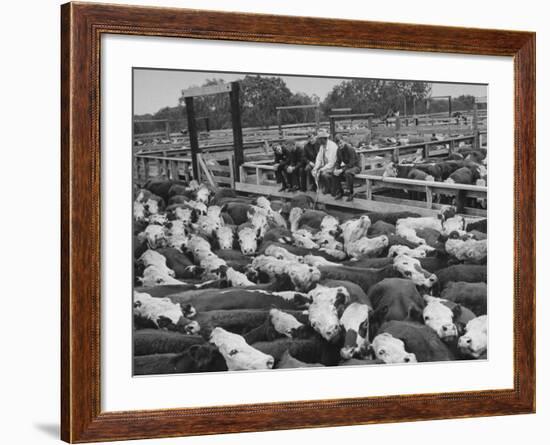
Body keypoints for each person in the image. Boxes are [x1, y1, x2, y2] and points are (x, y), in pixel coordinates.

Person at [332, 136, 360, 201]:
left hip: (356, 166)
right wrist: (336, 169)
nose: (340, 145)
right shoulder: (338, 150)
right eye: (338, 144)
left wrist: (341, 170)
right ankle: (340, 192)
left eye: (341, 143)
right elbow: (338, 161)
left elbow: (352, 163)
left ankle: (351, 193)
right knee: (334, 173)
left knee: (347, 173)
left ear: (344, 141)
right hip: (348, 167)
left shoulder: (350, 149)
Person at [311, 128, 338, 195]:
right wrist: (315, 168)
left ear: (324, 138)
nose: (318, 140)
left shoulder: (332, 146)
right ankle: (319, 188)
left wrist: (321, 169)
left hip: (335, 166)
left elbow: (332, 163)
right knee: (314, 171)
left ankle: (330, 189)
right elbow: (319, 159)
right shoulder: (322, 146)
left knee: (323, 174)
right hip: (326, 166)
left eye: (319, 139)